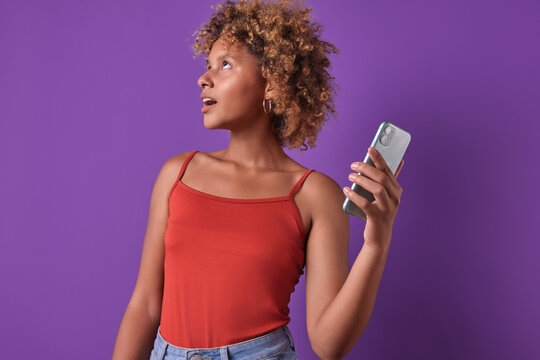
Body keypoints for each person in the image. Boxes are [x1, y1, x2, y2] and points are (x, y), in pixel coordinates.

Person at [112, 0, 405, 359]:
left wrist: (376, 244)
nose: (204, 78)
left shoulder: (314, 194)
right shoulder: (177, 173)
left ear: (272, 83)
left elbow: (329, 344)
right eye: (208, 66)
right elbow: (144, 305)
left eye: (225, 65)